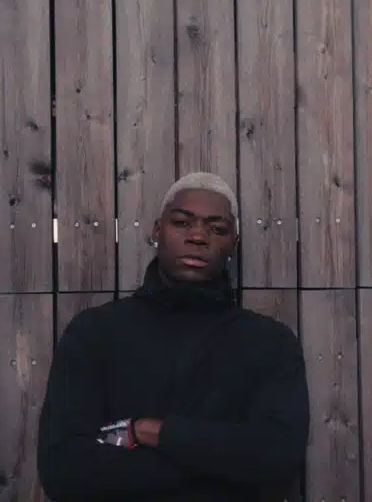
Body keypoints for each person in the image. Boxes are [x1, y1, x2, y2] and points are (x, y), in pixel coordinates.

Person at [37, 172, 310, 501]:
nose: (198, 236)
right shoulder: (94, 332)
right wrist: (221, 467)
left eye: (217, 229)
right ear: (157, 231)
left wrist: (152, 432)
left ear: (233, 244)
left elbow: (278, 457)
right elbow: (63, 470)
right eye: (182, 222)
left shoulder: (269, 342)